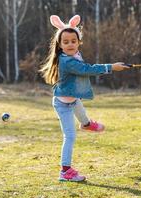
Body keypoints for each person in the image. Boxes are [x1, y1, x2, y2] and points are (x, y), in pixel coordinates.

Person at [40, 14, 128, 182]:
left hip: (73, 99)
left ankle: (86, 124)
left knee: (81, 112)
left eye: (73, 41)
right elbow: (87, 69)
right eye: (65, 42)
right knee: (70, 136)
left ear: (79, 42)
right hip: (62, 104)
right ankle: (65, 171)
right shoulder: (67, 61)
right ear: (59, 45)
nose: (70, 44)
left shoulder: (74, 54)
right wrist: (111, 67)